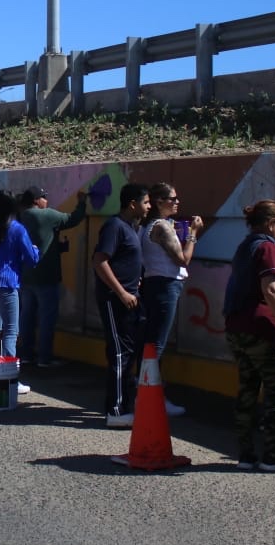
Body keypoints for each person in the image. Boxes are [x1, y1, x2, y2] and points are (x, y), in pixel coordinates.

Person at [224, 199, 275, 471]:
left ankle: (245, 453)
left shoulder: (246, 246)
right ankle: (272, 454)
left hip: (238, 327)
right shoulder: (268, 248)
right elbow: (270, 290)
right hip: (263, 331)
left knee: (247, 388)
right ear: (271, 224)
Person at [139, 182, 204, 417]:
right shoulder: (162, 228)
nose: (177, 202)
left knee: (151, 341)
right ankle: (151, 396)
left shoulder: (146, 225)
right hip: (166, 285)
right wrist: (193, 234)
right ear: (159, 202)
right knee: (158, 344)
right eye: (172, 199)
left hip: (154, 284)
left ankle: (147, 393)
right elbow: (183, 259)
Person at [92, 184, 149, 428]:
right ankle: (115, 411)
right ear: (132, 204)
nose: (148, 207)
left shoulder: (132, 228)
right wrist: (122, 291)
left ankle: (126, 404)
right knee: (119, 353)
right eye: (145, 202)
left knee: (129, 353)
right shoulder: (114, 226)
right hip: (115, 300)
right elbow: (100, 261)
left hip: (131, 299)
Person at [0, 189, 40, 390]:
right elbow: (32, 258)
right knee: (11, 331)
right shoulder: (17, 229)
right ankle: (10, 378)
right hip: (7, 283)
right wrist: (36, 250)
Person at [17, 185, 88, 368]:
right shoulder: (46, 214)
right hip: (46, 276)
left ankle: (25, 354)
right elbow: (73, 219)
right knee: (47, 318)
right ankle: (44, 358)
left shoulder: (21, 216)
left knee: (27, 317)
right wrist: (81, 202)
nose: (47, 201)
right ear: (36, 201)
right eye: (44, 197)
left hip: (26, 275)